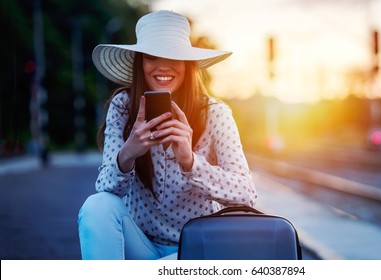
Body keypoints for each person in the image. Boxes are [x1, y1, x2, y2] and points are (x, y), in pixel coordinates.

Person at [78, 10, 257, 260]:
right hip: (140, 245)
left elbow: (246, 194)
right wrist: (128, 153)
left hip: (194, 250)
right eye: (152, 56)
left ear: (187, 63)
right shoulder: (122, 106)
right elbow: (107, 188)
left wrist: (190, 162)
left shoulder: (215, 113)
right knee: (96, 206)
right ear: (141, 62)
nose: (163, 65)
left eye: (173, 55)